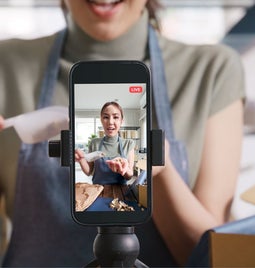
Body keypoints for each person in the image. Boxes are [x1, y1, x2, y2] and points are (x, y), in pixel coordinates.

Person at [0, 0, 245, 267]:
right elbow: (91, 169)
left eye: (115, 117)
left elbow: (216, 259)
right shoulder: (5, 66)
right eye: (105, 117)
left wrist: (154, 169)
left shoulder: (213, 70)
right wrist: (83, 160)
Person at [75, 101, 135, 185]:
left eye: (115, 117)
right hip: (97, 191)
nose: (110, 122)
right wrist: (81, 160)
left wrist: (123, 169)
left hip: (120, 193)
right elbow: (89, 171)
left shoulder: (128, 144)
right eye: (106, 117)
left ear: (121, 121)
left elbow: (129, 176)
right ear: (101, 120)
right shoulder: (94, 143)